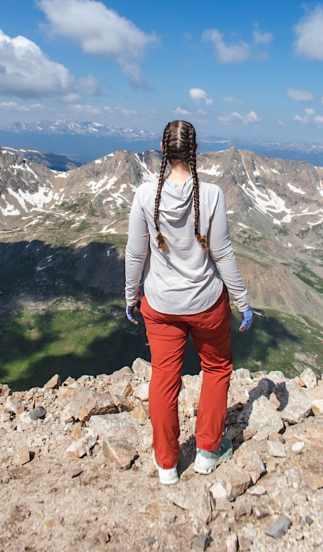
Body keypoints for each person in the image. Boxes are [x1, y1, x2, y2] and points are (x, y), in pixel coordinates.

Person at [125, 120, 253, 485]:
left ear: (162, 150)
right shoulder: (211, 194)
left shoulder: (144, 195)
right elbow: (223, 253)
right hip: (207, 304)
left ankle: (167, 464)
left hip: (161, 305)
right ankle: (208, 452)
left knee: (164, 379)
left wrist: (131, 295)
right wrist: (242, 301)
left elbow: (135, 254)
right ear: (195, 151)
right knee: (216, 369)